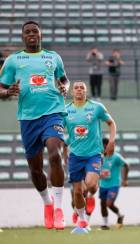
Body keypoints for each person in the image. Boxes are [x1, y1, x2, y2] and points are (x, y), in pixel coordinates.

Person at [0, 21, 70, 230]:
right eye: (27, 32)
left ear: (40, 35)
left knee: (55, 154)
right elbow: (1, 88)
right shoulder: (13, 61)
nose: (31, 34)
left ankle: (58, 208)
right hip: (28, 119)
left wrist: (64, 87)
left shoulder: (53, 57)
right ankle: (47, 203)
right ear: (23, 37)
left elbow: (64, 80)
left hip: (53, 113)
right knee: (36, 170)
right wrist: (7, 92)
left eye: (35, 31)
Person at [64, 81, 117, 231]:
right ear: (72, 92)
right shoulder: (65, 110)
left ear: (86, 91)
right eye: (76, 88)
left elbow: (111, 123)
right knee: (77, 191)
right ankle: (82, 221)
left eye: (82, 88)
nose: (79, 90)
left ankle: (90, 196)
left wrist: (111, 142)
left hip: (94, 154)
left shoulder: (96, 107)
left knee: (91, 184)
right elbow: (59, 131)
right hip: (75, 155)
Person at [100, 138, 129, 230]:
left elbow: (126, 165)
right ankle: (105, 224)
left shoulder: (116, 157)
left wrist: (125, 179)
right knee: (103, 204)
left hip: (114, 184)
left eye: (106, 146)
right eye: (103, 146)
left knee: (109, 203)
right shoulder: (100, 157)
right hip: (103, 184)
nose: (104, 148)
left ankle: (120, 215)